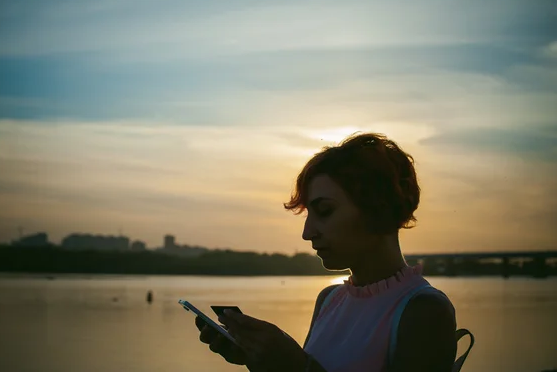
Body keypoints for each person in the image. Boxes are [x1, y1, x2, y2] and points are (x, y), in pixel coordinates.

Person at [195, 132, 472, 372]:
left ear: (376, 207)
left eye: (324, 211)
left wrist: (296, 366)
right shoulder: (329, 299)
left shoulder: (423, 310)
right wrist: (262, 361)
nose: (307, 233)